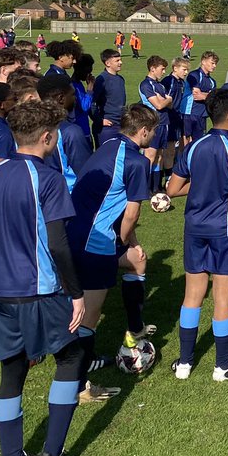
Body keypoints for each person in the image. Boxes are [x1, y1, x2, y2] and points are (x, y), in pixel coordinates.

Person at [0, 100, 84, 456]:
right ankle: (51, 455)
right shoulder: (48, 179)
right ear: (47, 137)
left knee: (11, 372)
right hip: (38, 291)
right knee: (70, 357)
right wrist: (75, 293)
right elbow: (59, 244)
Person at [167, 89, 228, 381]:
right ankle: (222, 365)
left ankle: (184, 363)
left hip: (194, 228)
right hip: (227, 231)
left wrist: (200, 189)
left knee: (192, 294)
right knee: (223, 296)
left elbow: (172, 189)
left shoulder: (194, 146)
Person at [67, 104, 157, 404]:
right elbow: (131, 213)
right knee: (88, 315)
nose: (153, 136)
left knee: (136, 261)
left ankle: (134, 328)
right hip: (95, 239)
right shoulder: (136, 161)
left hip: (71, 230)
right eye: (152, 132)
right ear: (143, 131)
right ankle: (78, 386)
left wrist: (129, 247)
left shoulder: (108, 144)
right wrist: (126, 240)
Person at [38, 74, 92, 193]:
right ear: (61, 98)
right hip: (67, 200)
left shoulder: (28, 126)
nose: (75, 98)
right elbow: (85, 174)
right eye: (73, 94)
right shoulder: (70, 132)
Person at [138, 56, 173, 191]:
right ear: (153, 69)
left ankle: (156, 187)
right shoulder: (146, 84)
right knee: (150, 156)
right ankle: (144, 187)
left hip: (164, 123)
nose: (164, 72)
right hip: (152, 125)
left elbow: (170, 105)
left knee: (159, 156)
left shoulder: (160, 85)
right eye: (162, 69)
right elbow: (159, 105)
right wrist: (166, 99)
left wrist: (166, 100)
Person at [161, 57, 190, 178]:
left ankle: (171, 173)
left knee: (173, 147)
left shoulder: (181, 82)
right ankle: (166, 176)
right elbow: (163, 99)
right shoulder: (169, 81)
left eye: (187, 70)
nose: (186, 72)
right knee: (167, 148)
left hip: (177, 116)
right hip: (168, 117)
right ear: (175, 68)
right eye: (184, 69)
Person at [180, 51, 218, 142]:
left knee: (199, 140)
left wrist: (206, 95)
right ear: (203, 61)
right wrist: (210, 95)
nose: (214, 66)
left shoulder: (212, 81)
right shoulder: (195, 75)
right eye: (212, 63)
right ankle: (183, 156)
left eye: (215, 63)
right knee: (186, 139)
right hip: (189, 112)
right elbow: (197, 95)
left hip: (202, 114)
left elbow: (213, 97)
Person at [91, 49, 126, 147]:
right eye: (117, 61)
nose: (121, 63)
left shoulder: (120, 79)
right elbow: (92, 103)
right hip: (107, 128)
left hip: (121, 125)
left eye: (120, 60)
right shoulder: (101, 80)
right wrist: (100, 120)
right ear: (107, 63)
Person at [71, 53, 95, 150]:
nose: (88, 75)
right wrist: (90, 90)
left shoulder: (79, 84)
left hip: (84, 127)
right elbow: (84, 106)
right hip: (80, 129)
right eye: (87, 72)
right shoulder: (73, 86)